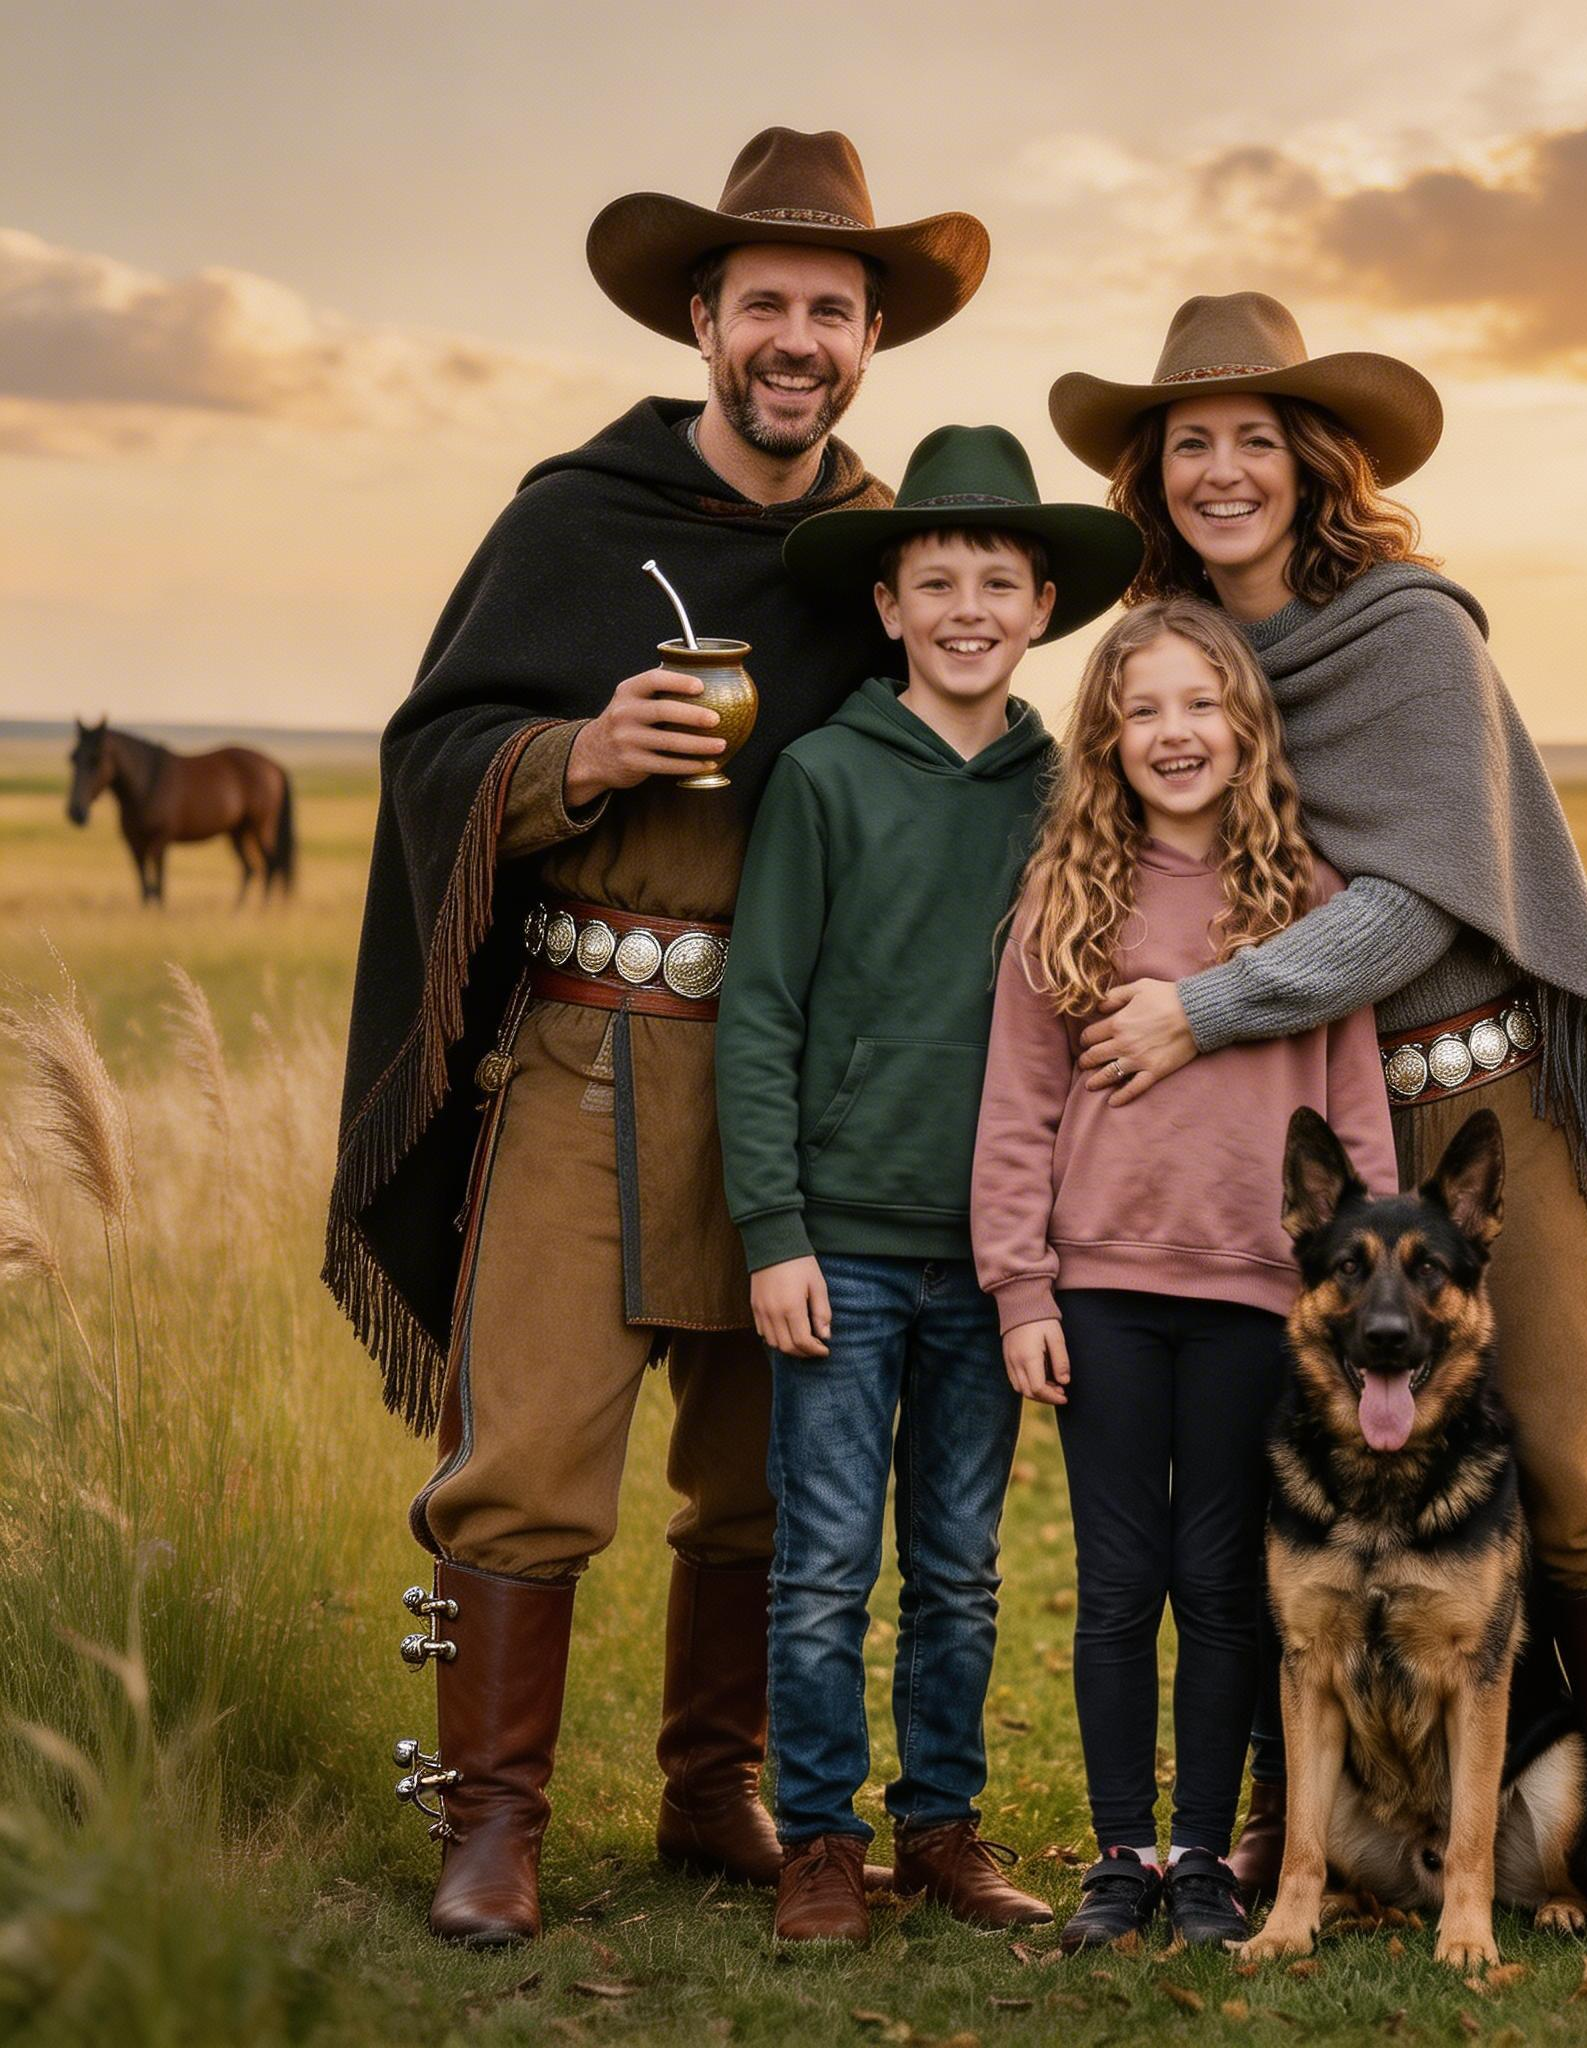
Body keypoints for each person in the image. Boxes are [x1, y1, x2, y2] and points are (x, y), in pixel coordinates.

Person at [323, 128, 990, 1946]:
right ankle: (492, 1827)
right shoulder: (572, 520)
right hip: (587, 1049)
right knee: (527, 1455)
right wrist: (577, 756)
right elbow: (431, 748)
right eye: (765, 302)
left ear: (872, 339)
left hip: (803, 1083)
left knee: (772, 1474)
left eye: (833, 310)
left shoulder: (884, 557)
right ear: (703, 319)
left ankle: (715, 1795)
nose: (798, 340)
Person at [1046, 293, 1587, 1950]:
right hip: (1299, 1128)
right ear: (1150, 475)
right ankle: (1301, 1818)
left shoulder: (1410, 635)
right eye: (1187, 444)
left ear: (1315, 460)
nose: (1220, 472)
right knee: (1295, 1469)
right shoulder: (1178, 659)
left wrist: (1203, 1007)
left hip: (1476, 1098)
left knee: (1570, 1451)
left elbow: (1409, 906)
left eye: (1253, 441)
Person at [716, 425, 1142, 1943]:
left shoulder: (1070, 795)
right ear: (889, 606)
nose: (970, 609)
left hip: (994, 1255)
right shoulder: (823, 775)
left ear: (1043, 609)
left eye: (1000, 583)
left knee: (958, 1566)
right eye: (938, 582)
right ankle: (823, 1842)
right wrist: (774, 1230)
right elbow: (760, 1013)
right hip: (839, 1244)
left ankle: (944, 1829)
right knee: (826, 1563)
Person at [972, 598, 1398, 1952]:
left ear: (1246, 727)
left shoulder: (1309, 902)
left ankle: (1205, 1857)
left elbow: (1356, 1112)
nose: (1174, 733)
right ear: (1106, 736)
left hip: (1257, 1302)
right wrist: (1021, 1289)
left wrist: (1358, 1303)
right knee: (1117, 1581)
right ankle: (1120, 1856)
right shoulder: (1069, 897)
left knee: (1222, 1584)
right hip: (1099, 1292)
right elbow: (1016, 1110)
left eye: (1201, 705)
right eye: (1142, 708)